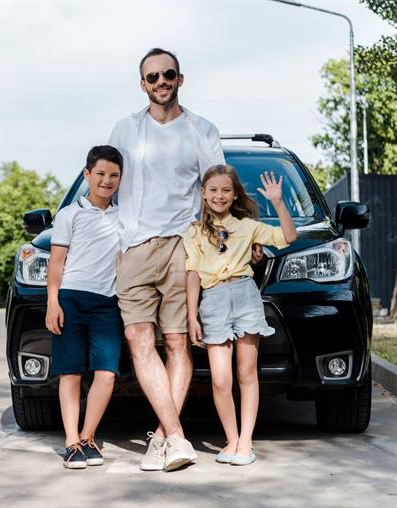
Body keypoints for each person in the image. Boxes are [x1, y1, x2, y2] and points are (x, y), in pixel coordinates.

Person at [108, 48, 232, 471]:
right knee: (138, 339)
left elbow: (219, 191)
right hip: (135, 248)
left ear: (180, 79)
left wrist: (232, 239)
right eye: (152, 77)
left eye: (168, 74)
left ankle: (164, 438)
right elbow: (107, 184)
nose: (160, 82)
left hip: (183, 246)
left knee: (177, 341)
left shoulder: (201, 130)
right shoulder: (124, 129)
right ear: (142, 84)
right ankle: (176, 437)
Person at [183, 165, 297, 466]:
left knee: (247, 374)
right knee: (221, 380)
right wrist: (191, 315)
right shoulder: (193, 232)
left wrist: (278, 201)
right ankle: (231, 439)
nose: (219, 195)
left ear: (234, 196)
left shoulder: (247, 226)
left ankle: (246, 442)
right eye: (213, 190)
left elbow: (288, 236)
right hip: (213, 302)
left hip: (245, 295)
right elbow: (193, 273)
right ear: (203, 194)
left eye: (225, 190)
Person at [45, 145, 124, 469]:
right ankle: (71, 442)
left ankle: (88, 438)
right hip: (72, 299)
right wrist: (53, 302)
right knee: (71, 372)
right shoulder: (70, 215)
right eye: (101, 174)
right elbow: (57, 263)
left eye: (114, 175)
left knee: (106, 374)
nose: (107, 181)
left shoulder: (124, 216)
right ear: (87, 175)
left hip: (108, 302)